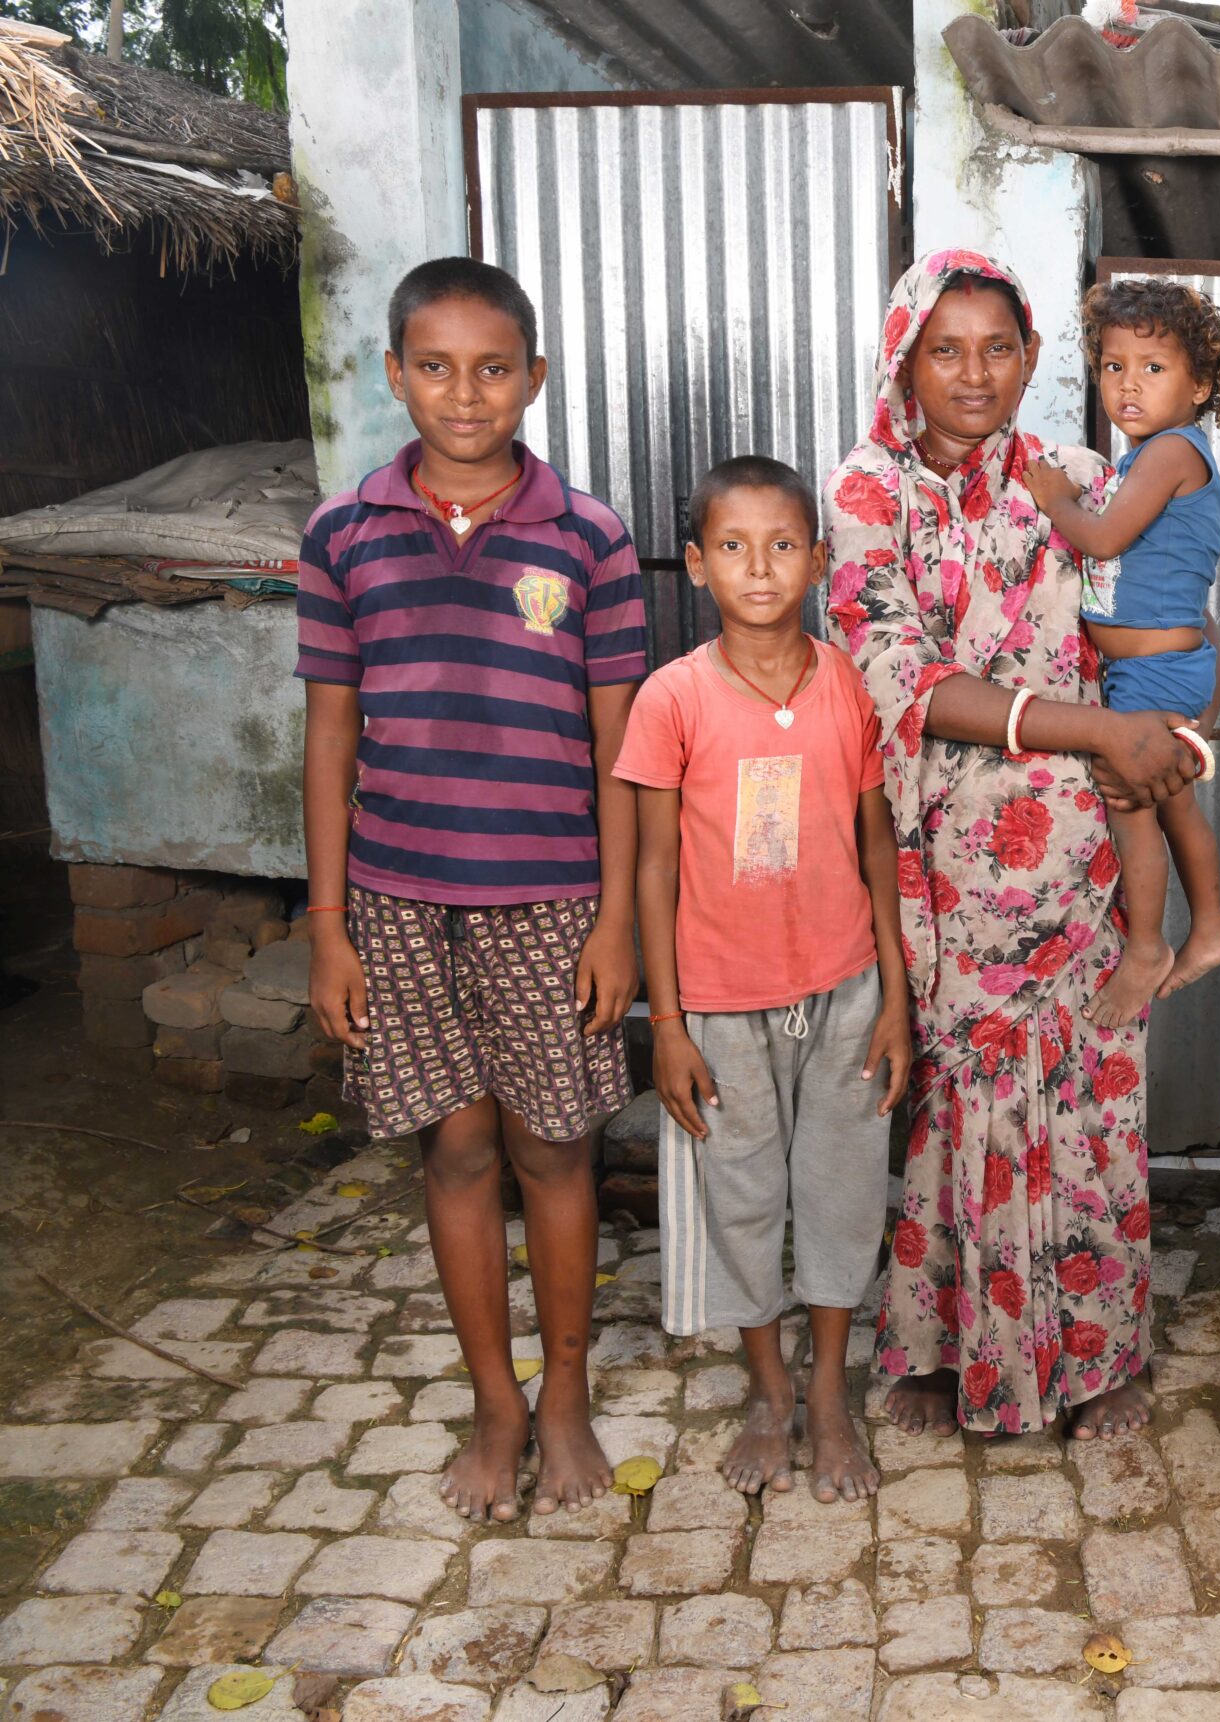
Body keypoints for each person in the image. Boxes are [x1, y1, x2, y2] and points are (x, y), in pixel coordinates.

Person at [825, 250, 1200, 1440]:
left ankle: (1101, 1362)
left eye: (999, 348)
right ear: (904, 361)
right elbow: (895, 674)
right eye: (946, 349)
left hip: (1086, 854)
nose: (974, 373)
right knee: (959, 1109)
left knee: (1090, 1104)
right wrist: (1086, 722)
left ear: (1033, 358)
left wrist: (1160, 720)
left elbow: (1145, 622)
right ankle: (945, 1354)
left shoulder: (1077, 477)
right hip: (947, 867)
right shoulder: (867, 493)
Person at [298, 257, 644, 1521]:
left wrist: (617, 916)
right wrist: (329, 928)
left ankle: (564, 1398)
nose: (464, 394)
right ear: (395, 373)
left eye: (493, 368)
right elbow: (331, 739)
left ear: (533, 380)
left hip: (554, 901)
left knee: (556, 1148)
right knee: (455, 1151)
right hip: (398, 901)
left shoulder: (588, 536)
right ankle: (493, 1404)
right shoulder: (342, 535)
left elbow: (623, 749)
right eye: (434, 367)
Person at [617, 455, 912, 1503]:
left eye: (783, 545)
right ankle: (766, 1388)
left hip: (844, 993)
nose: (759, 567)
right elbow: (653, 866)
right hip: (721, 1006)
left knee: (837, 1197)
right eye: (734, 547)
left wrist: (897, 1004)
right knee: (741, 1200)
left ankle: (829, 1393)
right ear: (695, 565)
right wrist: (667, 1022)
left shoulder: (849, 689)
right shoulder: (672, 698)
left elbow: (878, 847)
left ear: (820, 563)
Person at [1023, 279, 1220, 1026]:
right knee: (1173, 805)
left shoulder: (1171, 453)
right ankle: (1209, 926)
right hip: (1152, 668)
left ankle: (1147, 946)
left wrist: (1055, 500)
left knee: (1133, 813)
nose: (1128, 384)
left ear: (1202, 384)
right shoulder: (1147, 458)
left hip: (1151, 674)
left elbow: (1107, 539)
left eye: (1152, 367)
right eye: (1113, 366)